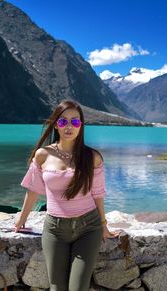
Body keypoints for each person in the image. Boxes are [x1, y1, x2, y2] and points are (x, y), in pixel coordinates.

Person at [15, 100, 118, 291]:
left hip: (89, 228)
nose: (69, 127)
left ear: (81, 125)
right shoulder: (42, 155)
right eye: (63, 122)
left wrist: (104, 225)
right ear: (56, 125)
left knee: (78, 287)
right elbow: (33, 191)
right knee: (57, 287)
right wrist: (21, 219)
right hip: (54, 229)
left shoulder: (92, 157)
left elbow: (98, 195)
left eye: (75, 122)